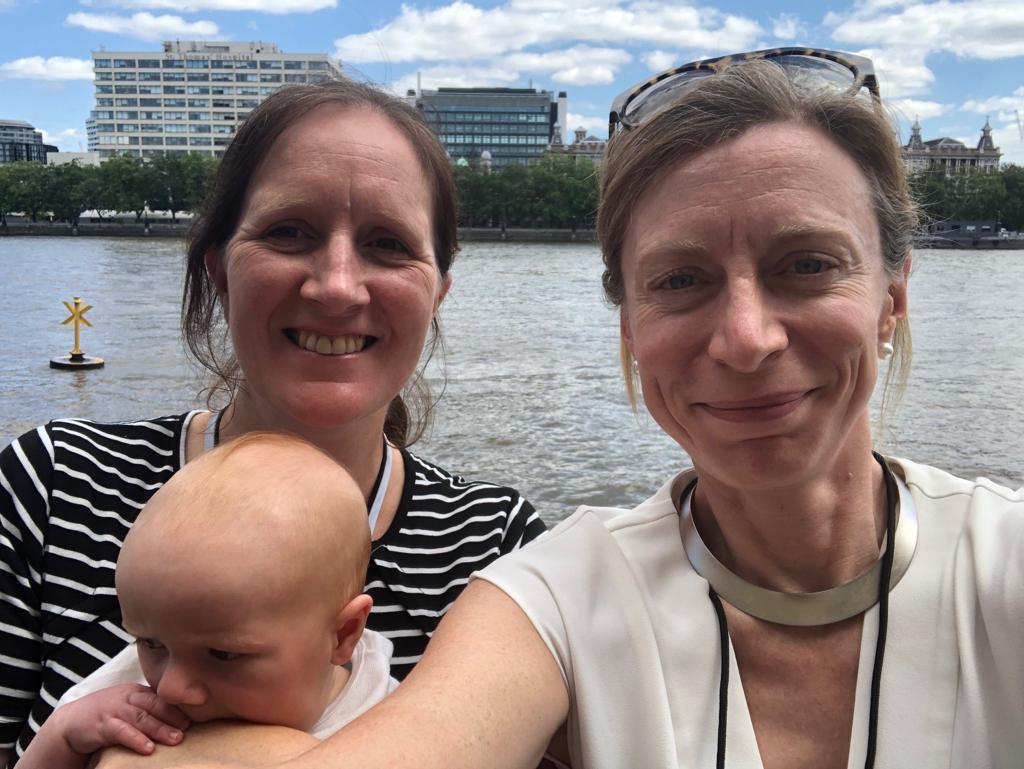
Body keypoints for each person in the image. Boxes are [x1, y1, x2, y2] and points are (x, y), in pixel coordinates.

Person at [94, 48, 1024, 769]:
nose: (747, 337)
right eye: (681, 278)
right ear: (630, 326)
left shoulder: (1006, 562)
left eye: (807, 264)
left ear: (893, 298)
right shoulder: (551, 592)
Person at [0, 78, 546, 765]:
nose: (337, 286)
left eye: (387, 243)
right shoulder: (55, 487)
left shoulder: (497, 548)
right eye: (289, 232)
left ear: (437, 292)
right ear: (220, 270)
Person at [19, 432, 398, 769]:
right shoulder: (122, 702)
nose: (169, 688)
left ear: (343, 634)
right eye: (150, 643)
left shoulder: (388, 718)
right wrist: (62, 736)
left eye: (223, 655)